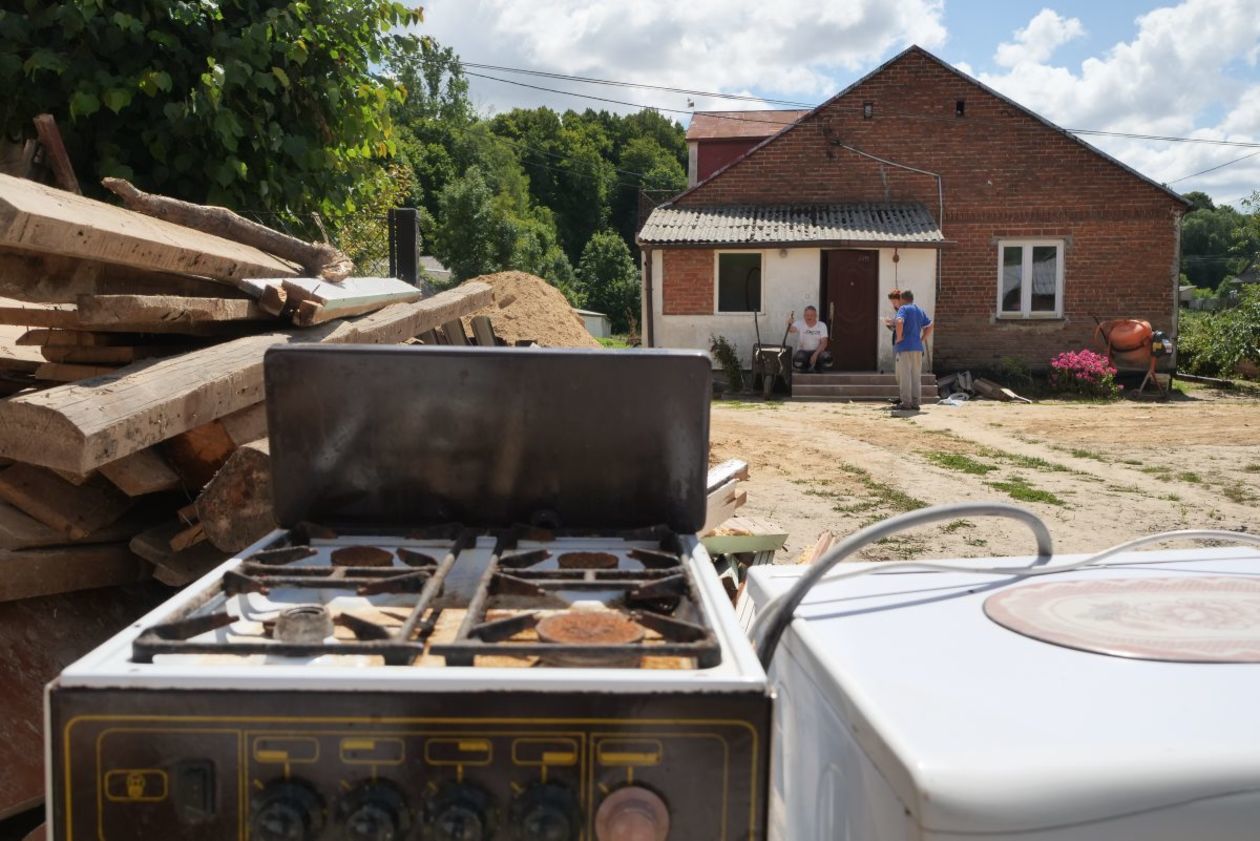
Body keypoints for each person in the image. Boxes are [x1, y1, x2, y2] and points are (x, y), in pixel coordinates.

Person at [893, 290, 933, 410]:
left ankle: (906, 403)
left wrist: (899, 337)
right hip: (917, 347)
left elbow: (899, 321)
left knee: (905, 376)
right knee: (916, 376)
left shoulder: (903, 309)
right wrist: (922, 339)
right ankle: (916, 403)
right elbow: (930, 325)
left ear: (902, 299)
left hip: (905, 347)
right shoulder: (919, 310)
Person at [787, 306, 832, 373]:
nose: (809, 317)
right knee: (799, 359)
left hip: (817, 351)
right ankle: (805, 368)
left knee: (826, 358)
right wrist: (789, 324)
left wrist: (815, 354)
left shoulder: (822, 325)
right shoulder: (800, 323)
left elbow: (824, 343)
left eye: (811, 315)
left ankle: (818, 368)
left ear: (816, 316)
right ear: (804, 316)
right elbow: (791, 330)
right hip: (803, 351)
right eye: (807, 315)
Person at [883, 289, 903, 403]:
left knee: (902, 372)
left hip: (902, 345)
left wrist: (893, 323)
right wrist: (890, 324)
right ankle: (901, 396)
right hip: (897, 343)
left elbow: (902, 326)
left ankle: (904, 398)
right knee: (898, 373)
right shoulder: (899, 311)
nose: (893, 304)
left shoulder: (904, 311)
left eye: (894, 301)